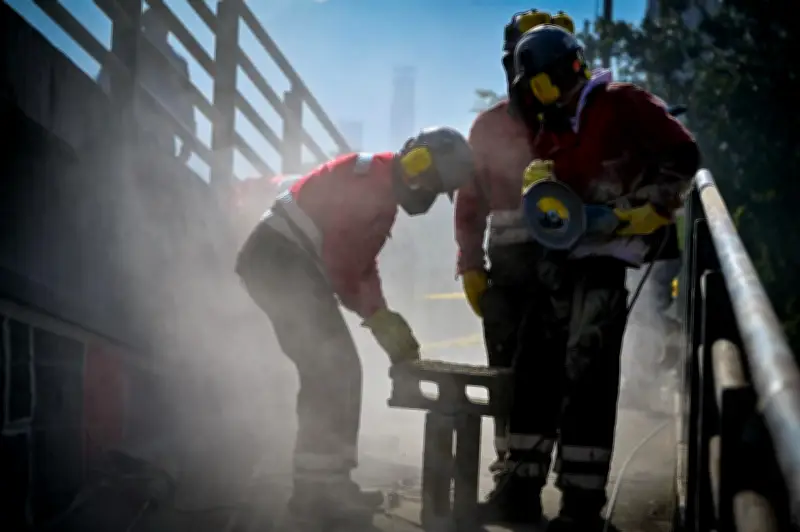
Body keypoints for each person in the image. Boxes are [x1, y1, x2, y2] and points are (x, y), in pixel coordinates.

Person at [508, 25, 699, 531]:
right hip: (561, 250)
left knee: (587, 370)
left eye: (541, 83)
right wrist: (540, 182)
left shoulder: (621, 102)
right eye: (533, 89)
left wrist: (639, 211)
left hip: (607, 247)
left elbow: (684, 157)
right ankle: (520, 486)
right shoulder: (553, 121)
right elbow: (555, 179)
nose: (539, 95)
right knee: (536, 360)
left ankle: (581, 506)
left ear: (565, 70)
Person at [235, 127, 475, 528]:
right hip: (278, 261)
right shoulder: (370, 186)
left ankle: (330, 482)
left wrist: (381, 314)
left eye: (439, 190)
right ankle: (316, 492)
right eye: (433, 183)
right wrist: (378, 320)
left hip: (286, 263)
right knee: (332, 369)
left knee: (338, 369)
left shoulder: (381, 191)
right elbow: (343, 265)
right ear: (417, 160)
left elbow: (362, 267)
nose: (430, 195)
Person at [454, 9, 577, 525]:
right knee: (507, 378)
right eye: (515, 60)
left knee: (557, 380)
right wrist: (470, 264)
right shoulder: (488, 126)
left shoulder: (577, 117)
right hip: (507, 271)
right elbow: (469, 201)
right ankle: (514, 488)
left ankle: (572, 495)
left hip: (563, 266)